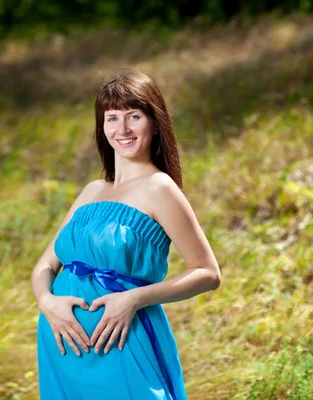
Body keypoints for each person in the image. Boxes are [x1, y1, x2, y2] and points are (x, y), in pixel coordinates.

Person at [31, 69, 222, 400]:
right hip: (62, 342)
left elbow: (207, 273)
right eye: (112, 118)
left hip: (121, 339)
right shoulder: (92, 191)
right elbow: (45, 266)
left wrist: (134, 299)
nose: (123, 129)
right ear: (102, 127)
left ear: (154, 121)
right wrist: (47, 303)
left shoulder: (159, 187)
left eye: (134, 116)